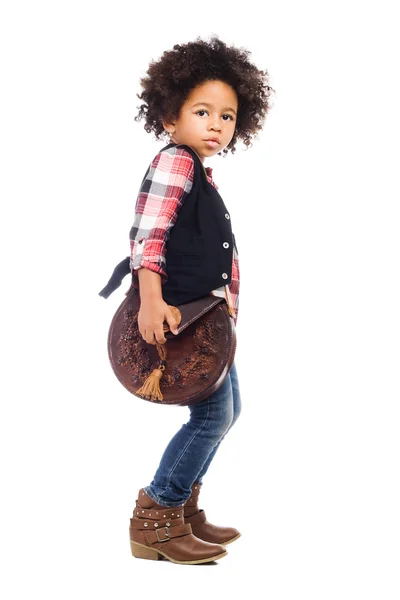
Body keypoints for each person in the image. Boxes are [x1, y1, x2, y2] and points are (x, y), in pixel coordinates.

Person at [99, 35, 274, 564]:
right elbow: (148, 237)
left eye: (227, 115)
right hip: (179, 313)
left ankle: (184, 511)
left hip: (205, 319)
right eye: (203, 111)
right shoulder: (175, 161)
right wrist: (150, 300)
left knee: (228, 410)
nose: (217, 124)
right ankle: (157, 515)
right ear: (170, 116)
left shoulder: (198, 170)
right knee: (211, 418)